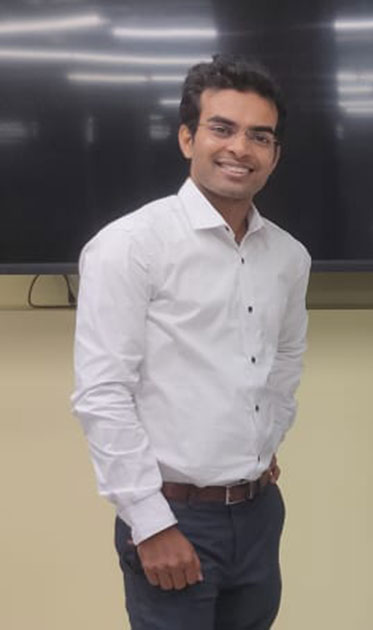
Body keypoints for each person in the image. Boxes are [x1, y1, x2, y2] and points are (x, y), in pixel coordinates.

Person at [71, 54, 310, 630]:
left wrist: (262, 439)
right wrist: (149, 522)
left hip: (257, 514)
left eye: (260, 136)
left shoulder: (288, 256)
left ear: (274, 155)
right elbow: (103, 394)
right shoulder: (130, 246)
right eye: (221, 129)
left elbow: (284, 360)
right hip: (172, 517)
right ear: (187, 138)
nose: (240, 149)